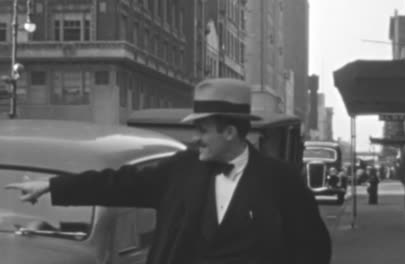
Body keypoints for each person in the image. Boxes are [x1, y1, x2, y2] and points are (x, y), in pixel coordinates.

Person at [5, 78, 331, 264]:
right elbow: (119, 183)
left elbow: (314, 250)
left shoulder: (281, 181)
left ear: (229, 132)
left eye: (203, 131)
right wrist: (53, 186)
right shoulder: (181, 170)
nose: (194, 139)